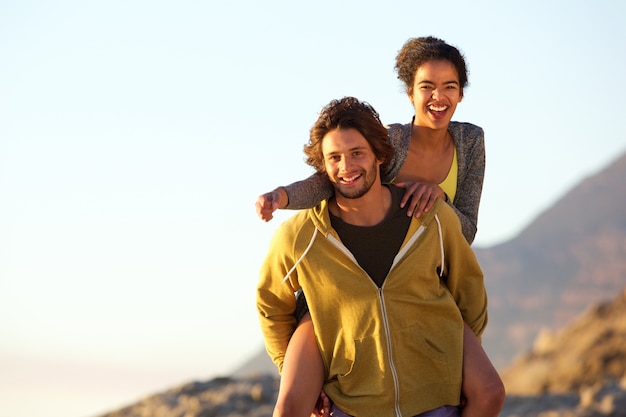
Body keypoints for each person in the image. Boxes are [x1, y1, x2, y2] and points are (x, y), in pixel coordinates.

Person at [256, 37, 504, 416]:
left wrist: (437, 198)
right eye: (427, 87)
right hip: (331, 295)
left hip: (421, 273)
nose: (438, 96)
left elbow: (464, 230)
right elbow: (338, 179)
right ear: (409, 93)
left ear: (461, 93)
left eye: (449, 86)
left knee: (488, 389)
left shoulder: (470, 142)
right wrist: (284, 196)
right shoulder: (392, 139)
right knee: (291, 403)